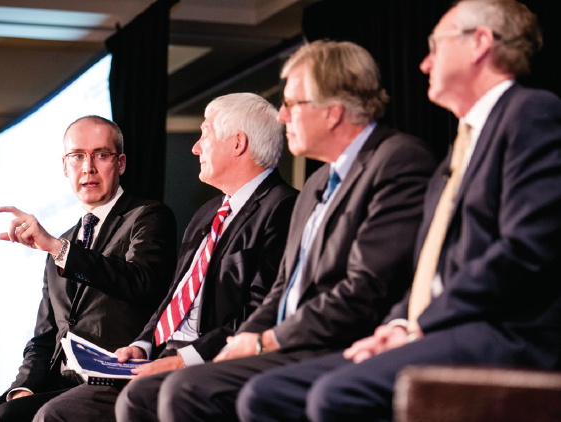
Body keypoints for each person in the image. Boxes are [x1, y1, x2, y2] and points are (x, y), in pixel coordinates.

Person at [235, 1, 561, 421]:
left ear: (480, 43)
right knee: (267, 395)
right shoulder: (458, 149)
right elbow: (429, 269)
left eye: (435, 47)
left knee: (335, 397)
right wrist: (394, 325)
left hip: (505, 331)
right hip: (443, 327)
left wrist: (418, 325)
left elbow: (525, 252)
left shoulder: (530, 113)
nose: (424, 63)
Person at [135, 40, 436, 422]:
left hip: (330, 343)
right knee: (144, 395)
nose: (281, 116)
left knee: (188, 389)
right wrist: (244, 340)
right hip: (283, 341)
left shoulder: (396, 161)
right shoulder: (318, 182)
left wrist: (265, 340)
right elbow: (284, 288)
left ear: (333, 112)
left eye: (293, 104)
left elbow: (365, 287)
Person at [30, 93, 298, 422]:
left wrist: (185, 358)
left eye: (205, 134)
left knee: (101, 407)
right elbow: (173, 298)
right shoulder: (208, 213)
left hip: (213, 361)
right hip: (155, 357)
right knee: (53, 414)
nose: (196, 147)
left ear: (238, 143)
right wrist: (142, 345)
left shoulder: (283, 208)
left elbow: (261, 310)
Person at [0, 116, 177, 422]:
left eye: (101, 154)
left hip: (112, 380)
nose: (88, 168)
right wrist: (23, 388)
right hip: (57, 383)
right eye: (77, 156)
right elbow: (44, 338)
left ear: (121, 163)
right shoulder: (63, 243)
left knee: (5, 419)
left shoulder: (147, 216)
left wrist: (58, 249)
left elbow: (141, 282)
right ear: (64, 166)